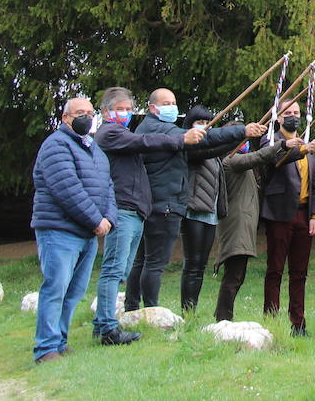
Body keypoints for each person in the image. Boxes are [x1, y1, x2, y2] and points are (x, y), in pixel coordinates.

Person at [90, 86, 204, 344]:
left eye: (129, 109)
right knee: (114, 270)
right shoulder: (109, 133)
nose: (126, 113)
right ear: (106, 112)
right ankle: (107, 329)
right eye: (120, 109)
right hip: (122, 208)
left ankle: (104, 324)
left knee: (125, 268)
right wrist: (181, 138)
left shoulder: (121, 132)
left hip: (135, 210)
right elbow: (143, 142)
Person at [126, 88, 244, 311]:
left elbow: (211, 147)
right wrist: (241, 130)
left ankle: (133, 306)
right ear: (153, 107)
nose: (171, 106)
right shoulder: (167, 131)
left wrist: (240, 135)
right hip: (165, 204)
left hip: (159, 202)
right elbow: (208, 139)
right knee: (153, 261)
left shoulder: (157, 129)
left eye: (173, 102)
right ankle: (149, 310)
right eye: (166, 103)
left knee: (143, 259)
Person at [29, 97, 117, 363]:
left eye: (90, 113)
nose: (87, 118)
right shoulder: (55, 145)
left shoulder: (93, 148)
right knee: (56, 288)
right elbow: (66, 188)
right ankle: (46, 348)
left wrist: (109, 218)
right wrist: (95, 220)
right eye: (80, 113)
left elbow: (108, 186)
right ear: (66, 117)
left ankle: (61, 341)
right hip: (59, 230)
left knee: (74, 292)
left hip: (87, 233)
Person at [179, 105, 266, 311]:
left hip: (210, 213)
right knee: (193, 264)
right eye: (199, 122)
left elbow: (218, 148)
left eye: (207, 122)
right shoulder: (196, 149)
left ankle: (192, 312)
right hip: (194, 210)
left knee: (199, 266)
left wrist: (238, 137)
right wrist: (240, 135)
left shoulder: (215, 156)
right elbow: (256, 156)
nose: (204, 127)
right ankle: (190, 312)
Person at [214, 126, 293, 322]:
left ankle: (224, 316)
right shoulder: (231, 161)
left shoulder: (241, 164)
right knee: (233, 276)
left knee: (237, 276)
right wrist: (282, 144)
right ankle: (223, 318)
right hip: (236, 226)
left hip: (244, 226)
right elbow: (257, 157)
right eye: (244, 138)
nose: (247, 142)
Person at [259, 102, 315, 336]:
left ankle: (298, 323)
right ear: (278, 118)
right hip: (279, 214)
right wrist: (302, 149)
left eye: (297, 113)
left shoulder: (306, 143)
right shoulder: (270, 139)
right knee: (275, 270)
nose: (293, 117)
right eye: (288, 114)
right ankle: (272, 322)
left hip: (303, 214)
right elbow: (276, 159)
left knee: (300, 273)